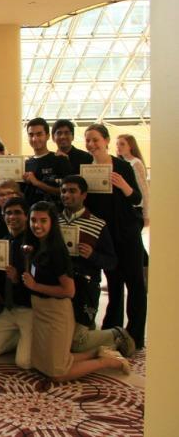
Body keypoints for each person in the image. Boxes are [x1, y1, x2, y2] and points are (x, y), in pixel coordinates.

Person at [22, 202, 129, 381]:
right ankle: (98, 352)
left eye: (43, 220)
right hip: (41, 310)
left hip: (56, 313)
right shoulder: (38, 245)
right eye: (33, 220)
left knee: (58, 373)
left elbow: (68, 290)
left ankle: (107, 362)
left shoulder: (56, 250)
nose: (37, 225)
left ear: (52, 222)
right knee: (41, 363)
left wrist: (35, 286)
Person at [83, 124, 146, 349]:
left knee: (136, 284)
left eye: (95, 140)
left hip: (127, 234)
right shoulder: (86, 170)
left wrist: (123, 185)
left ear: (106, 141)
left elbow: (136, 198)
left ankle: (136, 334)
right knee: (115, 284)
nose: (91, 144)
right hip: (106, 238)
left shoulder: (122, 166)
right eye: (88, 140)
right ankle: (113, 332)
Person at [58, 176, 135, 356]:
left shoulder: (97, 224)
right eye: (63, 191)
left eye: (72, 191)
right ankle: (88, 326)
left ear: (84, 195)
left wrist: (92, 255)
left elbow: (111, 262)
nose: (66, 195)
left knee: (76, 343)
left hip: (85, 288)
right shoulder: (53, 222)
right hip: (59, 287)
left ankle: (116, 334)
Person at [0, 197, 33, 369]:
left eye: (17, 212)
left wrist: (18, 279)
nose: (12, 217)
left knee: (24, 363)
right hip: (9, 309)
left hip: (29, 309)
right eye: (8, 213)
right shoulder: (3, 242)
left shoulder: (34, 243)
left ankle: (33, 335)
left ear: (26, 216)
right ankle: (23, 336)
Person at [23, 118, 72, 207]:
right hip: (31, 215)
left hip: (55, 215)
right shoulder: (26, 164)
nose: (34, 139)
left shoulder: (60, 159)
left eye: (39, 134)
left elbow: (66, 191)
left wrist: (37, 183)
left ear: (47, 136)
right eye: (31, 135)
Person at [116, 133, 150, 227]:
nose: (118, 147)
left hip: (135, 208)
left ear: (131, 146)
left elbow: (143, 189)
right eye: (117, 144)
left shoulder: (135, 163)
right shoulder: (120, 163)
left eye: (122, 144)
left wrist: (146, 214)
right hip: (125, 207)